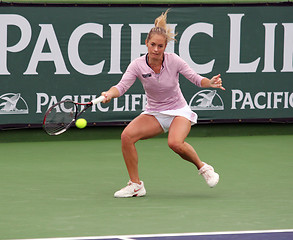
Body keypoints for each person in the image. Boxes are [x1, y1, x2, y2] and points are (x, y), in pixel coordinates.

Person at [101, 9, 225, 198]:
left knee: (175, 143)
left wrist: (210, 83)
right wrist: (109, 94)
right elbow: (121, 86)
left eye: (160, 46)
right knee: (127, 136)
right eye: (153, 45)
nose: (156, 49)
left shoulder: (174, 61)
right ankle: (136, 185)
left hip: (179, 111)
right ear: (146, 44)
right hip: (155, 113)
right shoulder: (137, 65)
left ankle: (204, 168)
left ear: (165, 46)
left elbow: (195, 78)